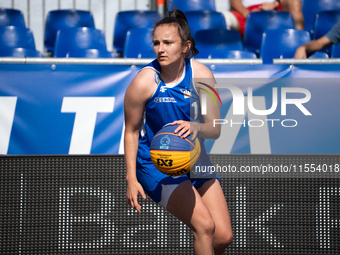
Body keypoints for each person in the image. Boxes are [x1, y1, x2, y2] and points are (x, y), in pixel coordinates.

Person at [124, 8, 233, 255]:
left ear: (186, 46)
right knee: (205, 227)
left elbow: (214, 129)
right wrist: (131, 178)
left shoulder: (203, 75)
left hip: (194, 158)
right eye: (156, 43)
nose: (160, 49)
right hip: (157, 163)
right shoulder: (144, 81)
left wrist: (196, 126)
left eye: (168, 43)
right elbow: (131, 131)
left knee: (224, 236)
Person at [224, 0, 304, 36]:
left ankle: (300, 42)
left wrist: (275, 4)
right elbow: (234, 1)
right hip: (248, 12)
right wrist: (247, 14)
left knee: (294, 1)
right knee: (225, 18)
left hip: (275, 9)